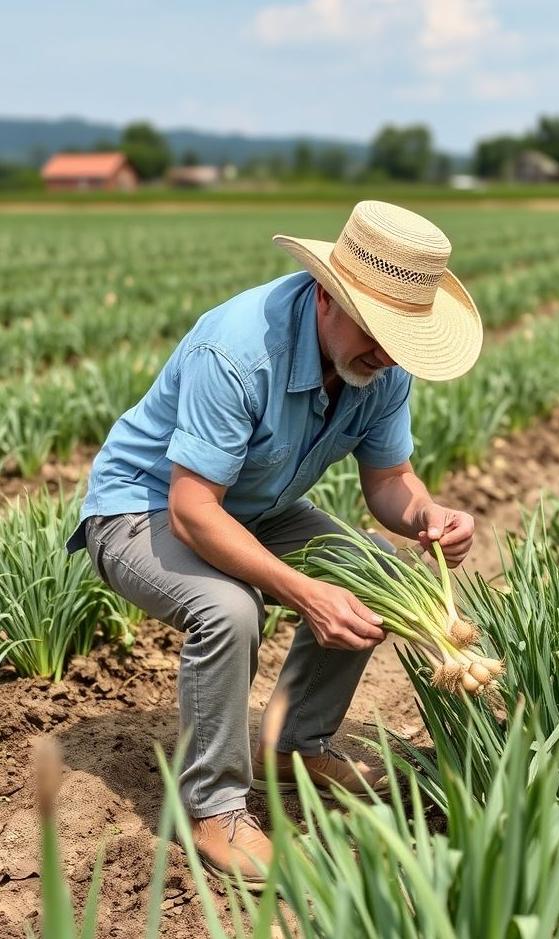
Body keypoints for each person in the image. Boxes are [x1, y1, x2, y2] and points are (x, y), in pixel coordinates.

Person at [65, 200, 483, 887]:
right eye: (374, 331)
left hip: (255, 506)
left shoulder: (382, 366)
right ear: (326, 295)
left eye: (399, 339)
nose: (383, 353)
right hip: (143, 511)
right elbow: (195, 511)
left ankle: (295, 746)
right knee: (229, 609)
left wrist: (430, 518)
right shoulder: (236, 350)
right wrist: (303, 590)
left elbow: (390, 481)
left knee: (372, 569)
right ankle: (216, 806)